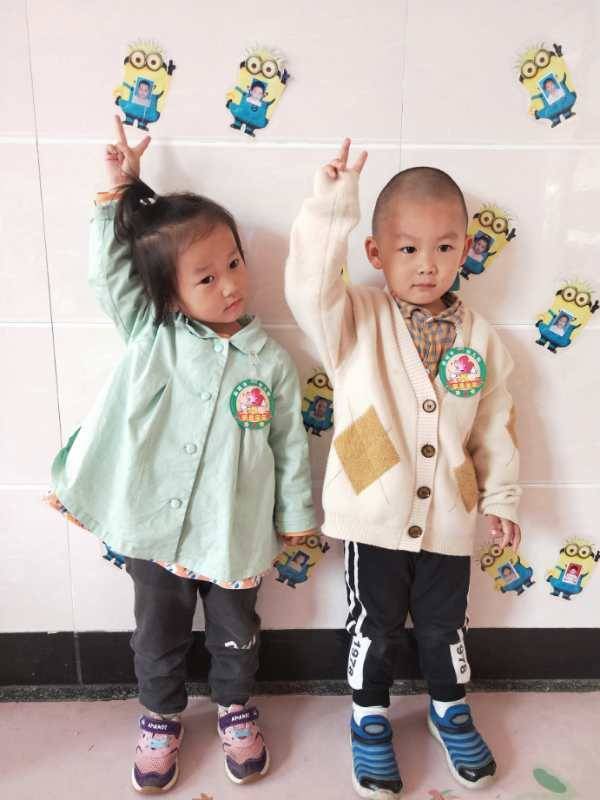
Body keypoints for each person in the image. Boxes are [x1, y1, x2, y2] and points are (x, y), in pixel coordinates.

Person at [49, 117, 316, 793]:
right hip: (157, 531)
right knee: (157, 632)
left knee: (236, 631)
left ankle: (234, 706)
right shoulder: (153, 333)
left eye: (234, 264)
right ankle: (160, 714)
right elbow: (108, 276)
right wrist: (118, 193)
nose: (229, 285)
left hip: (235, 532)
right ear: (171, 293)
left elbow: (288, 443)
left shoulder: (270, 363)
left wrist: (294, 516)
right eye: (206, 277)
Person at [285, 140, 522, 797]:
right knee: (375, 624)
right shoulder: (351, 319)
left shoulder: (481, 339)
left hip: (449, 518)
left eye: (444, 247)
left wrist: (501, 498)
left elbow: (496, 428)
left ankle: (450, 708)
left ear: (466, 249)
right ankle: (368, 716)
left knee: (447, 625)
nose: (427, 264)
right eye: (409, 248)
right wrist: (333, 206)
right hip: (374, 513)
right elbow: (307, 285)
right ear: (375, 252)